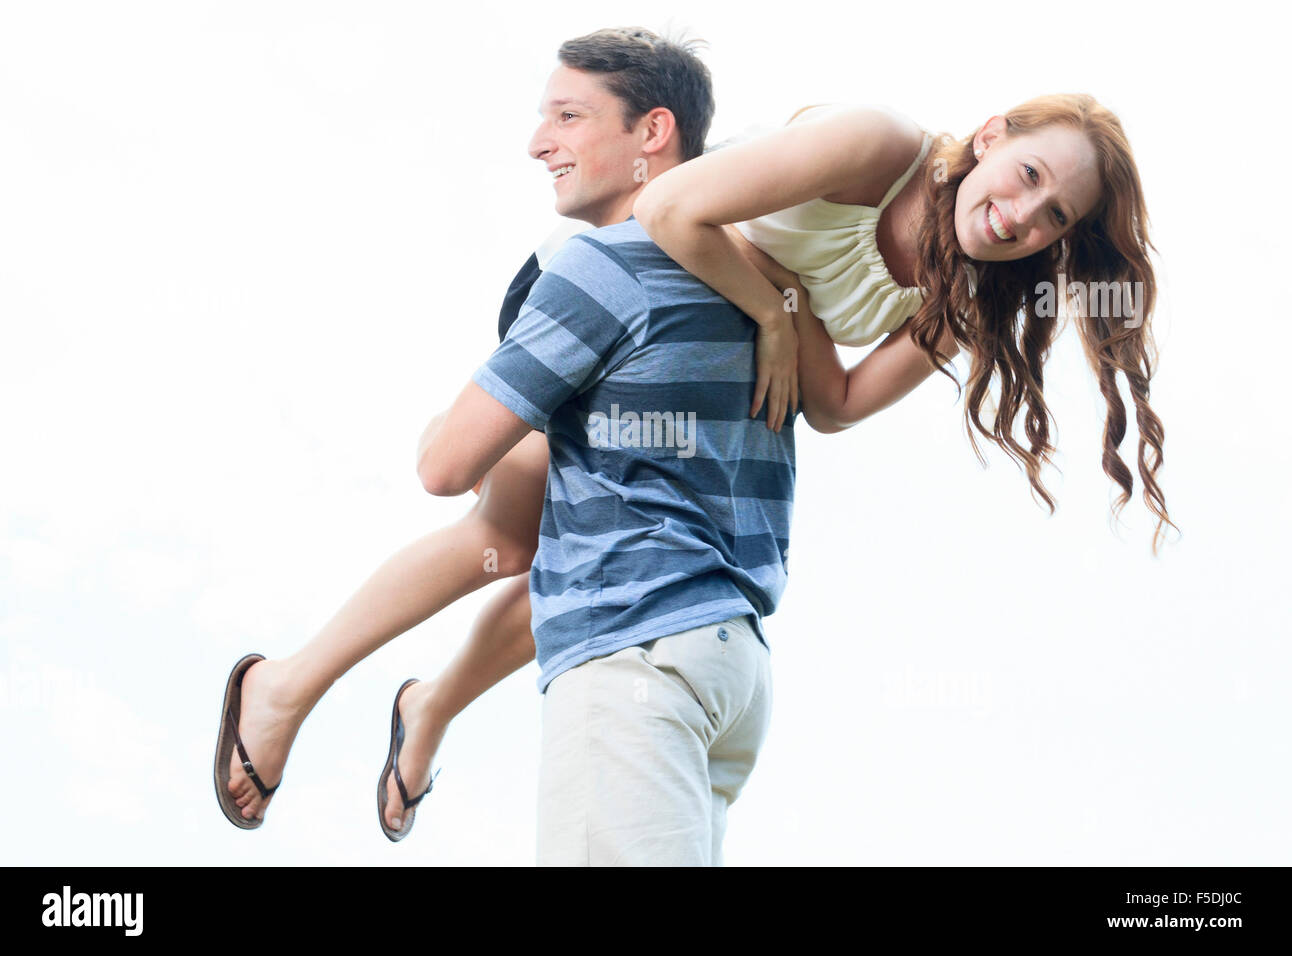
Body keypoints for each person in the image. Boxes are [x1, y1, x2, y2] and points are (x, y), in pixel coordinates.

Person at [218, 28, 1180, 854]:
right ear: (991, 134)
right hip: (647, 292)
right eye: (1027, 177)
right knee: (506, 532)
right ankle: (294, 688)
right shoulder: (877, 142)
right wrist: (768, 305)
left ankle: (423, 706)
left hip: (719, 361)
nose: (1018, 215)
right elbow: (673, 207)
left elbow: (837, 402)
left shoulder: (962, 301)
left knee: (590, 554)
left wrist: (783, 304)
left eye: (1053, 216)